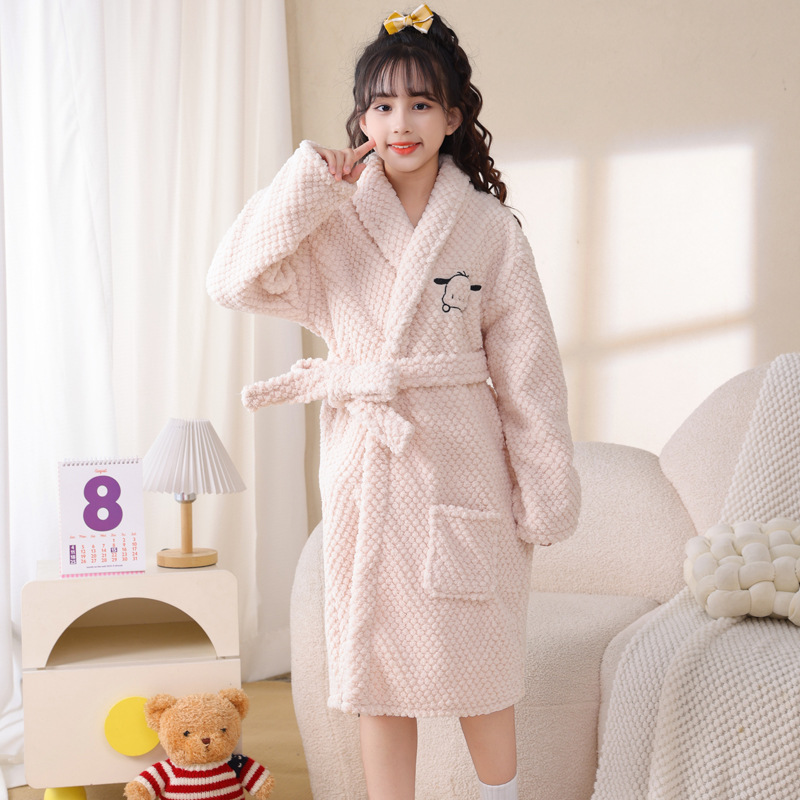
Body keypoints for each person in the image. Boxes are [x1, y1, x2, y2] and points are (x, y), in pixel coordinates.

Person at [207, 6, 581, 799]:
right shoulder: (332, 215)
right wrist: (307, 183)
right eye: (381, 105)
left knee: (482, 667)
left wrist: (544, 490)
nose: (399, 123)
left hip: (459, 468)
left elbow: (529, 371)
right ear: (362, 119)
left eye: (419, 103)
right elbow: (234, 280)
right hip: (366, 467)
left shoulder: (487, 229)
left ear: (454, 116)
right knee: (375, 671)